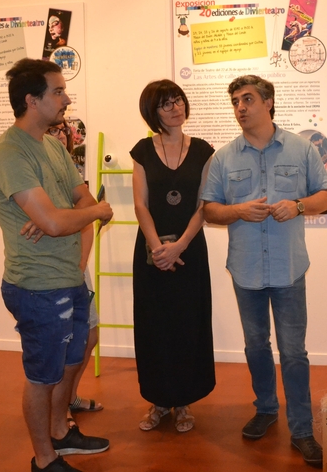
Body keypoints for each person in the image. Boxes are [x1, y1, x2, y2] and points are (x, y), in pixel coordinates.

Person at [201, 75, 327, 468]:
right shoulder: (224, 157)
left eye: (247, 99)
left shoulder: (301, 148)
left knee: (294, 351)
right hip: (246, 269)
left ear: (268, 102)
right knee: (256, 345)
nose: (240, 108)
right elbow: (209, 210)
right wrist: (238, 211)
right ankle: (265, 408)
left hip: (288, 267)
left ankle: (302, 429)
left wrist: (298, 205)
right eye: (235, 102)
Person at [0, 58, 113, 472]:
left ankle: (61, 431)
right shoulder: (9, 152)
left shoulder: (54, 145)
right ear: (31, 100)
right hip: (37, 286)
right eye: (58, 91)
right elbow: (65, 219)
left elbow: (78, 205)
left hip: (69, 276)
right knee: (43, 376)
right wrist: (78, 214)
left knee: (72, 360)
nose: (66, 99)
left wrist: (66, 215)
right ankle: (44, 459)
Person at [130, 79, 215, 433]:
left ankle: (184, 402)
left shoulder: (203, 149)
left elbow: (204, 204)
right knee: (154, 325)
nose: (175, 107)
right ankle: (158, 401)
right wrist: (157, 248)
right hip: (151, 253)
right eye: (166, 103)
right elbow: (140, 204)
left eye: (178, 100)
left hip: (189, 250)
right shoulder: (142, 150)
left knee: (187, 324)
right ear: (153, 112)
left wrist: (179, 245)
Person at [45, 120, 103, 421]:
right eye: (52, 130)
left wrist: (80, 267)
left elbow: (87, 220)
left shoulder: (70, 173)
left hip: (77, 268)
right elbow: (53, 221)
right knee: (61, 344)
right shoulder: (39, 172)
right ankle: (57, 410)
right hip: (52, 270)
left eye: (63, 130)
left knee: (89, 335)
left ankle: (70, 397)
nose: (59, 135)